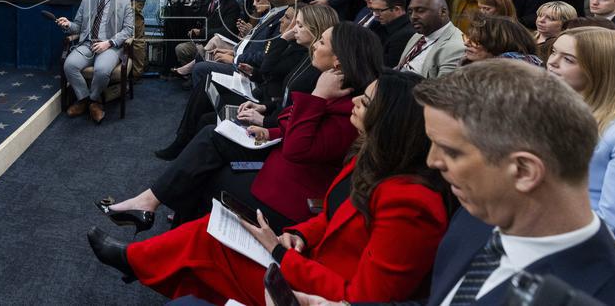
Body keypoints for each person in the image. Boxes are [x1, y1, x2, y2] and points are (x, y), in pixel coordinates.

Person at [89, 69, 451, 305]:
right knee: (209, 228)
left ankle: (137, 260)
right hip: (305, 258)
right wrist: (299, 236)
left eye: (367, 101)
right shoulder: (369, 156)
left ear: (390, 121)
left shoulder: (411, 204)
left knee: (211, 228)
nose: (356, 100)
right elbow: (330, 215)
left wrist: (282, 255)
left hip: (312, 292)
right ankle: (135, 260)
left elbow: (359, 299)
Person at [293, 60, 615, 306]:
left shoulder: (599, 293)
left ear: (524, 171)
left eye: (450, 151)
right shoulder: (475, 221)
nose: (434, 161)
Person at [99, 22, 381, 235]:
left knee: (208, 166)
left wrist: (317, 98)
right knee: (212, 135)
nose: (314, 45)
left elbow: (298, 148)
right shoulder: (332, 87)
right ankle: (156, 215)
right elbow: (292, 124)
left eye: (321, 41)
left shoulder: (350, 105)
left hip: (294, 190)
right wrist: (270, 131)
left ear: (339, 60)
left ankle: (161, 223)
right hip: (279, 161)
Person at [155, 0, 294, 159]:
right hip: (245, 64)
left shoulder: (282, 22)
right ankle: (186, 137)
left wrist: (235, 58)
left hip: (250, 77)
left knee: (203, 71)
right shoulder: (273, 14)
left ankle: (184, 139)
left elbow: (265, 59)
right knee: (204, 76)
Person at [547, 27, 615, 239]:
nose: (552, 61)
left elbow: (613, 220)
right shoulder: (551, 108)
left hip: (578, 245)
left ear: (599, 70)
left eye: (568, 59)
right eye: (553, 51)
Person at [56, 0, 134, 124]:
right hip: (87, 44)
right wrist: (68, 24)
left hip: (109, 46)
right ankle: (85, 100)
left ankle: (93, 100)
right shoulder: (87, 0)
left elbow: (129, 30)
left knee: (102, 69)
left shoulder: (124, 3)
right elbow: (78, 26)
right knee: (69, 65)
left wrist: (108, 43)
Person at [173, 0, 241, 73]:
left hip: (219, 44)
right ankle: (191, 75)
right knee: (181, 49)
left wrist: (202, 32)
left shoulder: (232, 6)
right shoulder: (209, 1)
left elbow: (227, 31)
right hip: (203, 41)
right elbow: (200, 19)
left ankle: (194, 73)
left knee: (196, 52)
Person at [396, 0, 465, 78]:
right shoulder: (418, 36)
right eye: (410, 12)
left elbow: (443, 87)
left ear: (443, 12)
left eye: (420, 11)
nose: (413, 16)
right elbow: (400, 67)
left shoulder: (455, 47)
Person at [462, 15, 541, 66]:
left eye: (475, 40)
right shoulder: (469, 64)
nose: (466, 43)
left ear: (499, 44)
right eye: (467, 37)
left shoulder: (514, 76)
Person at [368, 0, 416, 67]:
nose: (375, 15)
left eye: (379, 11)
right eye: (373, 10)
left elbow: (388, 67)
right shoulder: (378, 25)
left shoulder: (405, 35)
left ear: (397, 9)